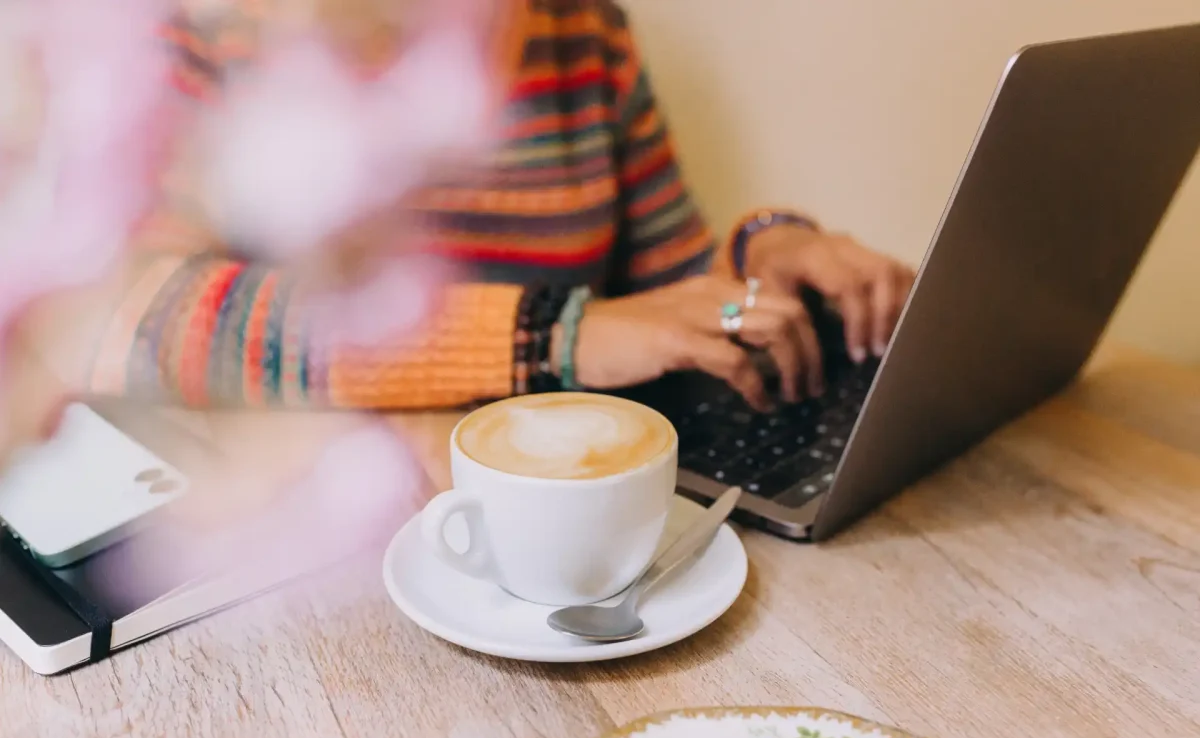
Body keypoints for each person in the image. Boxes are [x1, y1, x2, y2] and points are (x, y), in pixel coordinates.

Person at [81, 0, 915, 416]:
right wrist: (558, 336)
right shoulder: (201, 28)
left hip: (568, 512)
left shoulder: (583, 29)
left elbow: (672, 293)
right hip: (327, 571)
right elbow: (133, 316)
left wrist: (765, 257)